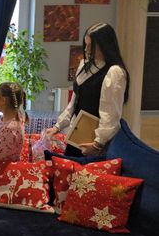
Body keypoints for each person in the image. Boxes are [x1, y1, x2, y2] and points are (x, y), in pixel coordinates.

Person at [46, 23, 129, 157]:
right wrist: (57, 126)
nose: (86, 50)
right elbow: (74, 102)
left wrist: (98, 143)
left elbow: (110, 114)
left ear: (105, 45)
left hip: (95, 140)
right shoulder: (84, 65)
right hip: (78, 133)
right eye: (86, 45)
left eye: (92, 46)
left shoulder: (114, 72)